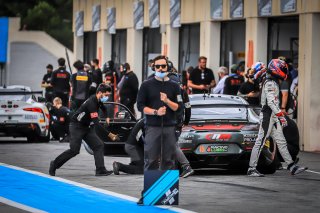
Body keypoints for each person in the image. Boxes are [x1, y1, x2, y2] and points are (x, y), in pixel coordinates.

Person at [247, 59, 307, 177]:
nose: (285, 71)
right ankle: (251, 168)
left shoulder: (271, 81)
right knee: (260, 141)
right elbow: (271, 102)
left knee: (281, 141)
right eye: (283, 69)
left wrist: (278, 116)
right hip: (268, 115)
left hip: (272, 115)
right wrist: (281, 116)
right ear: (276, 69)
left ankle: (291, 166)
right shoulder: (270, 82)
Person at [49, 84, 119, 177]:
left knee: (98, 145)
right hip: (76, 126)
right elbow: (97, 125)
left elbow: (104, 108)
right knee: (74, 150)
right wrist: (110, 135)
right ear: (100, 93)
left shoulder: (97, 100)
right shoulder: (92, 103)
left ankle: (100, 170)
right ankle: (54, 164)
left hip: (86, 127)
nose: (107, 97)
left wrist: (107, 118)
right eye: (106, 95)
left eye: (108, 95)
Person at [137, 55, 182, 170]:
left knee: (169, 160)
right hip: (152, 127)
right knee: (151, 159)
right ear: (154, 68)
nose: (161, 68)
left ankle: (168, 188)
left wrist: (167, 101)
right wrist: (156, 112)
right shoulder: (146, 85)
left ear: (168, 67)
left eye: (163, 66)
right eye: (158, 66)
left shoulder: (175, 86)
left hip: (170, 127)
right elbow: (140, 106)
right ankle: (152, 188)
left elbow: (179, 107)